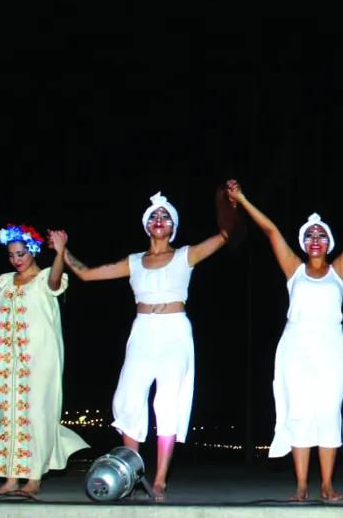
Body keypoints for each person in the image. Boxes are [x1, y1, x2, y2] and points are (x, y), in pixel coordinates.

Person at [227, 177, 343, 502]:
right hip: (296, 345)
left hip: (331, 345)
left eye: (321, 235)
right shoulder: (294, 270)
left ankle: (327, 485)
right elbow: (271, 231)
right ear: (304, 243)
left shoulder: (339, 271)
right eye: (309, 235)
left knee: (328, 412)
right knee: (300, 413)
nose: (315, 239)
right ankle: (302, 485)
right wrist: (244, 199)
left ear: (329, 242)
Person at [59, 190, 239, 501]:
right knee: (128, 398)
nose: (159, 219)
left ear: (173, 226)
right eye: (154, 216)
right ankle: (131, 473)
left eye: (165, 216)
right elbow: (87, 275)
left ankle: (159, 481)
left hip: (175, 331)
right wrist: (62, 250)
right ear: (146, 225)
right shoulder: (134, 262)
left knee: (167, 402)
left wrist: (229, 205)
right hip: (142, 331)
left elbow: (225, 236)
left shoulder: (185, 255)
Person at [0, 224, 88, 495]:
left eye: (20, 253)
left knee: (36, 412)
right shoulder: (4, 281)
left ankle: (34, 478)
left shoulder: (44, 278)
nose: (16, 259)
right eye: (11, 255)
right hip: (7, 361)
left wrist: (60, 252)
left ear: (32, 251)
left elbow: (55, 281)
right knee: (8, 413)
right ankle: (11, 479)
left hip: (39, 358)